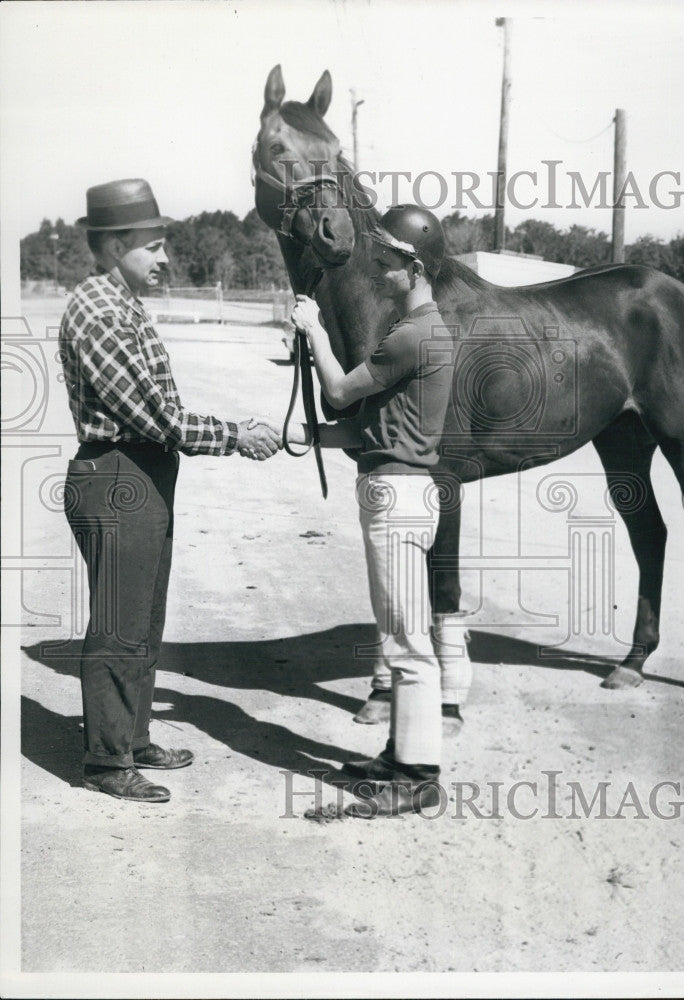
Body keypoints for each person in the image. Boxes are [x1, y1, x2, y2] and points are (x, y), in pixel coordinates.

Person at [59, 178, 282, 803]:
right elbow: (157, 417)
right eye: (152, 246)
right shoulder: (99, 311)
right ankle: (106, 761)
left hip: (144, 475)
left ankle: (132, 737)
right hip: (117, 474)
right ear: (112, 246)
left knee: (144, 617)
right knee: (118, 624)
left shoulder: (122, 302)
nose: (165, 258)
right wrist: (238, 434)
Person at [287, 205, 469, 817]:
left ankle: (417, 776)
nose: (379, 270)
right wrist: (305, 438)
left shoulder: (411, 335)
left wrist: (312, 329)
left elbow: (339, 392)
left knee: (408, 642)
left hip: (396, 497)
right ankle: (399, 758)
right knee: (401, 634)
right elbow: (374, 427)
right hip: (403, 487)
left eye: (387, 261)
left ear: (413, 265)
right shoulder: (423, 331)